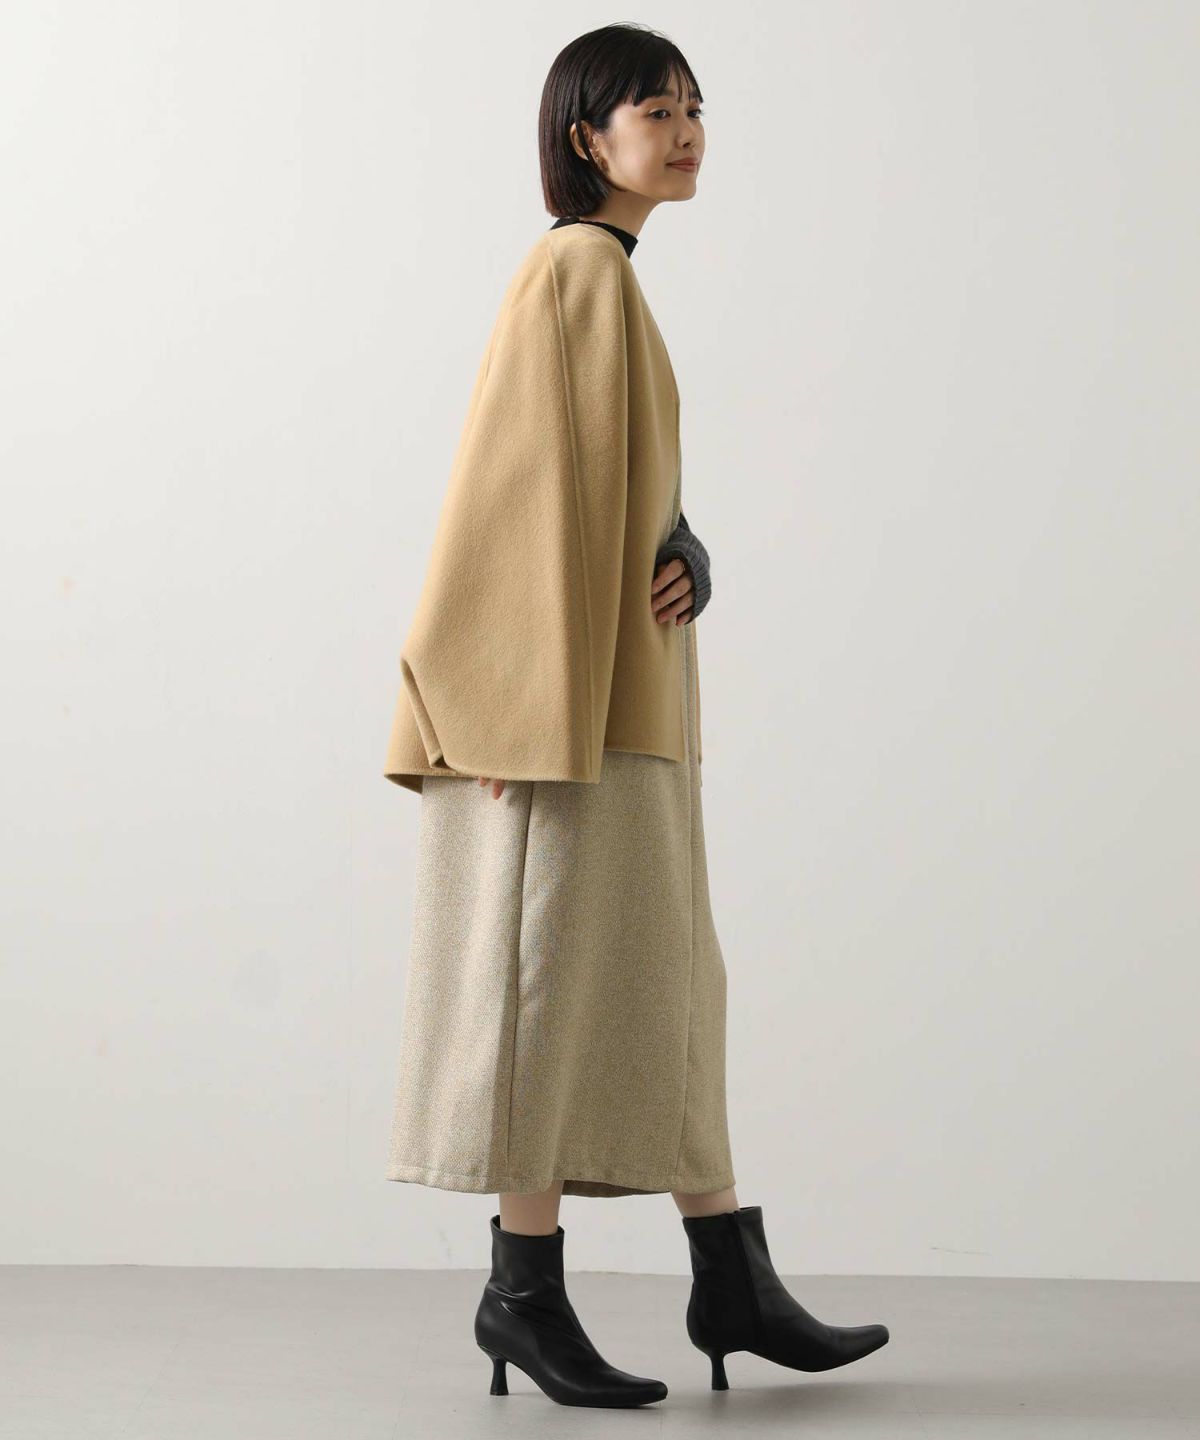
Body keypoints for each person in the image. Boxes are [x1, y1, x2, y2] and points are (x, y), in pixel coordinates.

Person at [380, 22, 890, 1409]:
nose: (687, 130)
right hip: (562, 722)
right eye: (655, 111)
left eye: (694, 107)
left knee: (662, 991)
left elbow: (604, 482)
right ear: (585, 139)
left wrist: (682, 542)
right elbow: (509, 495)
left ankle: (727, 1275)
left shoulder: (607, 278)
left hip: (625, 706)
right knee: (548, 999)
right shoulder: (575, 270)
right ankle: (525, 1296)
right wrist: (499, 707)